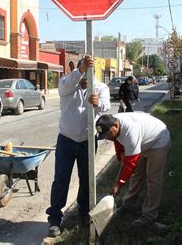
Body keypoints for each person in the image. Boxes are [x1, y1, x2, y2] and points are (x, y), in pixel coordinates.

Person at [46, 56, 111, 237]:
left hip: (88, 141)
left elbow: (106, 105)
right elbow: (66, 85)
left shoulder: (100, 87)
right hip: (66, 140)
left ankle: (84, 213)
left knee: (86, 180)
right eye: (82, 69)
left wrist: (99, 103)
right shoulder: (67, 83)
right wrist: (79, 71)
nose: (84, 74)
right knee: (61, 179)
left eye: (88, 70)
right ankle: (55, 218)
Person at [95, 112, 171, 228]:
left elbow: (130, 164)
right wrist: (120, 153)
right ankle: (128, 205)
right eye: (105, 136)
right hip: (142, 141)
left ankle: (149, 216)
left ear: (115, 125)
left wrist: (118, 184)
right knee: (136, 176)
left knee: (153, 179)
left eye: (108, 134)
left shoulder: (130, 132)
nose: (108, 138)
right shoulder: (113, 122)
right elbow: (117, 139)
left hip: (158, 140)